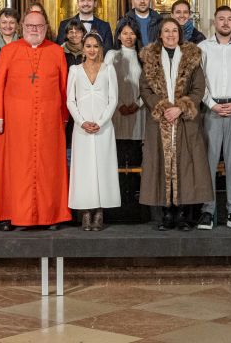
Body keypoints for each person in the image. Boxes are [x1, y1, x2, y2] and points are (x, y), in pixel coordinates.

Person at [0, 11, 71, 230]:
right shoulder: (8, 51)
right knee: (14, 170)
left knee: (48, 169)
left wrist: (63, 117)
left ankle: (51, 215)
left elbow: (64, 88)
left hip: (48, 123)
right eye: (30, 26)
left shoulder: (56, 52)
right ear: (22, 27)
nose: (34, 30)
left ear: (46, 27)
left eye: (39, 26)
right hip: (15, 124)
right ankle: (9, 214)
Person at [139, 18, 212, 231]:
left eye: (174, 31)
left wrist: (180, 107)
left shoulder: (191, 57)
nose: (170, 35)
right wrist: (162, 107)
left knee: (185, 165)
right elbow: (145, 89)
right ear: (160, 35)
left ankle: (182, 214)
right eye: (166, 31)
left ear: (180, 34)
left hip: (185, 121)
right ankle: (166, 214)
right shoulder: (150, 58)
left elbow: (199, 89)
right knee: (161, 164)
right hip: (160, 121)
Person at [197, 7, 231, 230]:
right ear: (214, 22)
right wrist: (211, 104)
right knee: (208, 162)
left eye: (230, 19)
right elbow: (198, 81)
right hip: (211, 109)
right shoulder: (203, 48)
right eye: (222, 19)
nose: (226, 23)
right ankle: (207, 211)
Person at [68, 31, 120, 230]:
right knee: (84, 170)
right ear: (83, 48)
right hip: (82, 129)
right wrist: (81, 122)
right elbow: (70, 100)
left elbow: (113, 99)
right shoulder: (75, 70)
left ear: (101, 49)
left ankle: (99, 211)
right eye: (88, 46)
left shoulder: (108, 69)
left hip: (103, 127)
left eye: (95, 46)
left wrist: (100, 121)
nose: (92, 50)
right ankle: (85, 211)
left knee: (102, 167)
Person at [105, 18, 145, 168]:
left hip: (138, 111)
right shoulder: (112, 55)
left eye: (132, 33)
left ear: (137, 36)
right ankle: (120, 191)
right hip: (117, 111)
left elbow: (150, 85)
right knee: (118, 158)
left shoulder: (144, 56)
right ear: (119, 36)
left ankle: (134, 190)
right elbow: (107, 83)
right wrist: (120, 104)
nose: (129, 37)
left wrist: (137, 103)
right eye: (125, 33)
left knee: (136, 158)